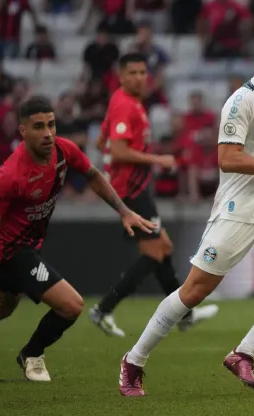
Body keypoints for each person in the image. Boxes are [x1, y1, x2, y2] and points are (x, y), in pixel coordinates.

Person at [118, 23, 254, 396]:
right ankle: (134, 360)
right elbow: (228, 159)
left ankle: (243, 353)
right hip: (236, 210)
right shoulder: (243, 101)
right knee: (194, 291)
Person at [0, 96, 157, 382]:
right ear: (23, 131)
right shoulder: (10, 175)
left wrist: (124, 212)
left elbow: (93, 175)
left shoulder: (64, 150)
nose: (48, 133)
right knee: (72, 305)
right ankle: (32, 354)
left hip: (28, 245)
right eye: (38, 126)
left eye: (51, 124)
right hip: (12, 251)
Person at [90, 53, 218, 337]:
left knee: (164, 249)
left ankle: (184, 314)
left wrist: (112, 160)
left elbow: (102, 142)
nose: (139, 77)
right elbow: (120, 150)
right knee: (154, 253)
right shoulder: (126, 105)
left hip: (133, 189)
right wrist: (158, 160)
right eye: (132, 72)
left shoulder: (124, 101)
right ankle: (104, 309)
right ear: (121, 76)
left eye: (142, 72)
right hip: (130, 192)